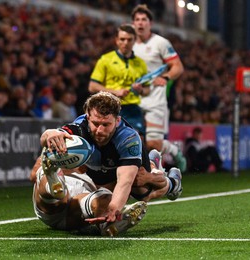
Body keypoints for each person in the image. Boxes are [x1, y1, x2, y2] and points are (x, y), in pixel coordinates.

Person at [39, 91, 183, 225]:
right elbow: (49, 136)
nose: (100, 130)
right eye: (95, 123)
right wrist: (50, 133)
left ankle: (172, 183)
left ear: (117, 120)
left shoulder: (128, 138)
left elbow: (125, 181)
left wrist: (113, 208)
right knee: (101, 185)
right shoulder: (79, 127)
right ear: (88, 117)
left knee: (142, 190)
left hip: (126, 167)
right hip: (101, 167)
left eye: (106, 124)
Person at [31, 152, 148, 236]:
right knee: (44, 174)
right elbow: (32, 175)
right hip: (51, 206)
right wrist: (67, 166)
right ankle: (54, 183)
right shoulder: (53, 153)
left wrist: (148, 177)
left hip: (78, 205)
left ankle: (107, 224)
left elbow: (131, 188)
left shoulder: (97, 164)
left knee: (105, 197)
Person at [131, 4, 187, 172]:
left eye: (144, 20)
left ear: (150, 23)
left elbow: (177, 66)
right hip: (133, 98)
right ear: (133, 23)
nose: (140, 23)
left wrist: (166, 76)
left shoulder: (160, 43)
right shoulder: (129, 44)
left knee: (153, 143)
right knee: (133, 141)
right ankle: (150, 174)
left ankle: (174, 151)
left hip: (155, 99)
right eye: (137, 20)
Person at [88, 24, 150, 138]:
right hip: (110, 107)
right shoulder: (106, 59)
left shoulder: (141, 63)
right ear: (117, 40)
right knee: (110, 140)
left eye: (129, 40)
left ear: (135, 41)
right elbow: (92, 86)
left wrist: (140, 90)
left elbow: (147, 90)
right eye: (122, 39)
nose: (126, 43)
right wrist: (114, 92)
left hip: (132, 108)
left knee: (138, 140)